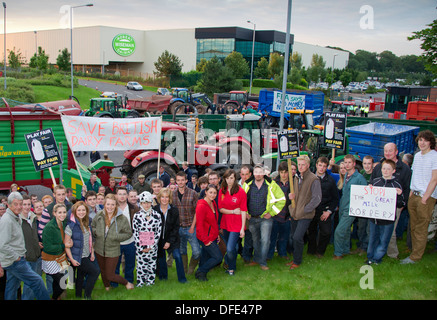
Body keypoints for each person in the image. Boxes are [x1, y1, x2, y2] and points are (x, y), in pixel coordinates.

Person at [0, 192, 50, 300]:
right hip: (14, 261)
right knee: (37, 281)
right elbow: (2, 244)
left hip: (14, 259)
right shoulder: (7, 220)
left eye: (20, 204)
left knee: (12, 286)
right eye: (15, 204)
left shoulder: (14, 217)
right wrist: (17, 257)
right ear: (8, 205)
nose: (19, 207)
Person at [370, 142, 411, 259]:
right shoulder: (378, 167)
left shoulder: (404, 169)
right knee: (377, 230)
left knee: (391, 231)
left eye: (390, 151)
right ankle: (377, 253)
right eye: (385, 151)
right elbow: (372, 182)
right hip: (378, 205)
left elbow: (407, 188)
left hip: (395, 205)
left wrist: (403, 204)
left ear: (396, 152)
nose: (387, 153)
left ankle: (393, 255)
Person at [402, 130, 437, 264]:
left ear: (430, 142)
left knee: (421, 227)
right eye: (420, 140)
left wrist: (425, 197)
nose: (422, 143)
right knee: (413, 226)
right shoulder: (417, 156)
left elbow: (434, 179)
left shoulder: (434, 156)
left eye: (425, 140)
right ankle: (414, 252)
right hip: (414, 194)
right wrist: (411, 193)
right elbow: (414, 175)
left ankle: (415, 257)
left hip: (426, 197)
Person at [242, 165, 286, 270]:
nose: (258, 174)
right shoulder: (247, 185)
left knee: (265, 240)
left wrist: (271, 213)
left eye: (260, 172)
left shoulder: (271, 184)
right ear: (253, 173)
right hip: (252, 218)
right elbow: (242, 200)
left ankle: (263, 263)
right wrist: (246, 212)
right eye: (256, 172)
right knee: (255, 240)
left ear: (264, 173)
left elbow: (281, 199)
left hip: (265, 218)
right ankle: (256, 259)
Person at [91, 194, 134, 290]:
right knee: (102, 270)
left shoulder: (122, 218)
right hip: (99, 249)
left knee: (110, 274)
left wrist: (116, 237)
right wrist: (96, 232)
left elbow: (128, 233)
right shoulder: (99, 215)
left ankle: (127, 283)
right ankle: (107, 287)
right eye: (108, 204)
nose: (110, 207)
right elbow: (92, 226)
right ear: (104, 204)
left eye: (112, 205)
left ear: (116, 206)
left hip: (113, 250)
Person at [366, 159, 405, 265]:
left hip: (388, 220)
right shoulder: (375, 182)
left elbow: (401, 204)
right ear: (381, 169)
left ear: (393, 171)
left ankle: (377, 258)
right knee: (372, 238)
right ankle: (370, 258)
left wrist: (400, 195)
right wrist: (368, 191)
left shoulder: (396, 185)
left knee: (384, 240)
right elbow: (367, 200)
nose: (386, 171)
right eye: (384, 168)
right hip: (374, 218)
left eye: (388, 169)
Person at [288, 155, 322, 269]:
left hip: (305, 215)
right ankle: (295, 258)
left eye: (303, 164)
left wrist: (305, 209)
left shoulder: (313, 179)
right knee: (294, 236)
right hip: (295, 213)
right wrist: (291, 197)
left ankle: (297, 261)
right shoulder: (297, 177)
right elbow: (298, 195)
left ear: (307, 165)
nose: (300, 167)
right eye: (299, 164)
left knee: (298, 237)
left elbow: (316, 199)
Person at [333, 155, 367, 259]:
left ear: (354, 164)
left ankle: (338, 254)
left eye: (349, 162)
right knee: (346, 230)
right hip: (343, 206)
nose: (347, 165)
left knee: (339, 231)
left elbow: (365, 193)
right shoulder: (345, 175)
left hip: (351, 208)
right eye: (345, 162)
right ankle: (345, 250)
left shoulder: (359, 178)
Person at [64, 201, 99, 299]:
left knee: (80, 275)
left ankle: (78, 295)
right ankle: (87, 295)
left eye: (83, 210)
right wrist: (72, 259)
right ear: (75, 211)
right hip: (78, 256)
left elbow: (90, 238)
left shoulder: (87, 222)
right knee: (95, 272)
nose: (81, 212)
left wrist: (92, 253)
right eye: (79, 210)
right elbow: (66, 245)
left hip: (86, 254)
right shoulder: (71, 226)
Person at [307, 157, 339, 258]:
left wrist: (329, 211)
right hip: (311, 210)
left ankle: (320, 252)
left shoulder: (330, 180)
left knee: (326, 232)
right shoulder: (309, 178)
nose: (322, 168)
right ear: (316, 165)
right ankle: (311, 250)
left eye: (324, 166)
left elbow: (335, 198)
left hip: (324, 210)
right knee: (311, 231)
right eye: (320, 165)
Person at [154, 188, 187, 283]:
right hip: (160, 239)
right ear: (159, 198)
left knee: (177, 256)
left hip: (173, 238)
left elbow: (176, 228)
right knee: (161, 259)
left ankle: (182, 279)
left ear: (170, 198)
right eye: (162, 197)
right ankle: (163, 278)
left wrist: (169, 241)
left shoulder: (174, 210)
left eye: (167, 197)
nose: (164, 199)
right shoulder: (155, 210)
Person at [218, 169, 247, 276]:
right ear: (224, 179)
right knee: (230, 247)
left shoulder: (240, 192)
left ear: (235, 178)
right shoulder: (222, 190)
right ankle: (231, 265)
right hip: (225, 224)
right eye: (227, 178)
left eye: (231, 178)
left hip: (236, 225)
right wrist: (233, 211)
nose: (229, 180)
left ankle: (231, 268)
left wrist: (242, 228)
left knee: (230, 248)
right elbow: (220, 208)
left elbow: (243, 210)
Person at [173, 171, 200, 275]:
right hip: (179, 228)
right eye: (178, 180)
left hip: (190, 227)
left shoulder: (193, 193)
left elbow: (197, 211)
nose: (180, 182)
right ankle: (184, 270)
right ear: (176, 181)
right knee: (182, 251)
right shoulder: (173, 194)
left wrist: (193, 226)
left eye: (182, 180)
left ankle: (191, 268)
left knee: (197, 252)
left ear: (186, 181)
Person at [41, 203, 70, 300]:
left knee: (59, 281)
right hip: (51, 258)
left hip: (60, 257)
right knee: (63, 283)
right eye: (60, 212)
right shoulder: (50, 227)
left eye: (64, 212)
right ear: (54, 213)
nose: (62, 214)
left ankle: (56, 297)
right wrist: (63, 245)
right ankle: (53, 298)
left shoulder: (63, 223)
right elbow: (48, 247)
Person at [133, 191, 162, 287]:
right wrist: (142, 246)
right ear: (140, 203)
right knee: (141, 264)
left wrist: (151, 245)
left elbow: (158, 232)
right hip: (141, 246)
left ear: (151, 202)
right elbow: (135, 232)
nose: (146, 205)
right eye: (144, 202)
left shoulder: (157, 216)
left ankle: (150, 281)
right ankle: (141, 282)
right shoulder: (137, 216)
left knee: (152, 264)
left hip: (153, 246)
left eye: (148, 202)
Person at [195, 185, 221, 281]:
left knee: (205, 255)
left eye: (214, 193)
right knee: (218, 257)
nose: (213, 195)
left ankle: (201, 275)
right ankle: (201, 271)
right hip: (205, 237)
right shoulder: (201, 206)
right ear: (205, 192)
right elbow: (200, 225)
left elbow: (214, 221)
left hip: (212, 235)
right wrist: (205, 240)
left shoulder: (213, 202)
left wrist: (216, 233)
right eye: (210, 192)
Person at [114, 186, 139, 287]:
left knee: (130, 263)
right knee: (116, 264)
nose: (122, 196)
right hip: (116, 242)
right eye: (120, 194)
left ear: (127, 196)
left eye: (124, 194)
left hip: (130, 241)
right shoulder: (113, 207)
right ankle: (114, 282)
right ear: (116, 195)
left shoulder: (134, 208)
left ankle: (129, 281)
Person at [268, 161, 294, 260]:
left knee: (284, 236)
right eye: (282, 172)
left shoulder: (292, 184)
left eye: (286, 172)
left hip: (286, 214)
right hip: (275, 214)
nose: (283, 175)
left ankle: (282, 253)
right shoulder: (274, 183)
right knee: (272, 237)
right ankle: (269, 255)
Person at [20, 195, 43, 300]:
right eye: (24, 204)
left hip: (36, 255)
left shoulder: (33, 217)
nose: (27, 207)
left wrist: (37, 244)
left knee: (36, 282)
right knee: (29, 285)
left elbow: (34, 235)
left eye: (29, 204)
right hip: (26, 257)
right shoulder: (18, 220)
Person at [354, 155, 374, 255]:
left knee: (368, 229)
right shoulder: (361, 174)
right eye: (365, 163)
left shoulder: (375, 175)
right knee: (361, 227)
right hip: (361, 206)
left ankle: (366, 247)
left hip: (371, 207)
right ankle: (361, 245)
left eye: (369, 163)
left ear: (372, 164)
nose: (367, 166)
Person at [239, 165, 254, 264]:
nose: (244, 177)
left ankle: (247, 257)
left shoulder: (254, 185)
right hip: (237, 215)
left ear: (250, 174)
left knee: (249, 237)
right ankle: (241, 252)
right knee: (237, 239)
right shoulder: (236, 185)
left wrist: (248, 213)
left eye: (246, 174)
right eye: (242, 174)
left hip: (249, 216)